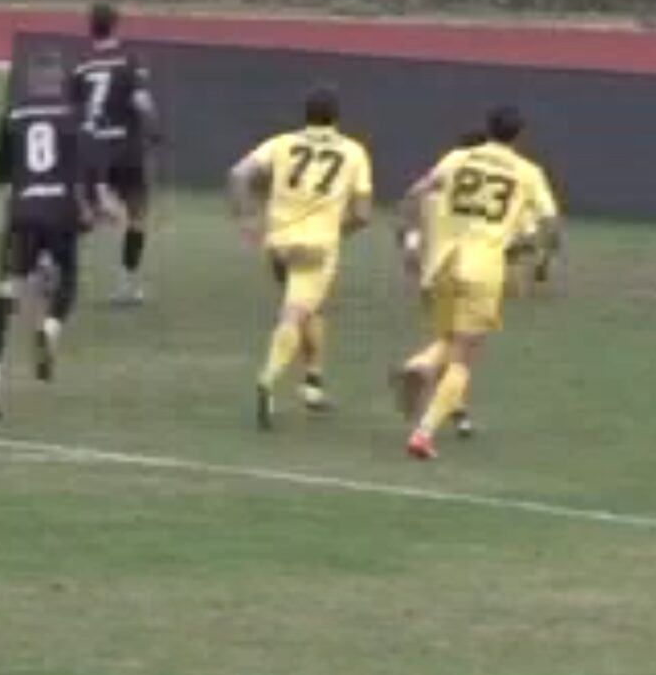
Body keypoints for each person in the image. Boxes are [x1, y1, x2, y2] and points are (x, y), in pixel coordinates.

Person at [396, 106, 561, 461]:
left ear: (488, 129)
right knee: (465, 354)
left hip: (443, 264)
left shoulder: (457, 158)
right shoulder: (528, 172)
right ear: (519, 135)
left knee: (447, 338)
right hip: (483, 266)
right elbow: (550, 221)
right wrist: (541, 255)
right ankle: (424, 432)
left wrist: (411, 238)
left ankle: (422, 365)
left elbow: (414, 194)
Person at [230, 87, 374, 429]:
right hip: (317, 246)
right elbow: (363, 213)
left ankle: (313, 381)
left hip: (279, 242)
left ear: (305, 115)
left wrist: (247, 218)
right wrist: (338, 232)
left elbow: (239, 174)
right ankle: (268, 378)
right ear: (337, 118)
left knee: (311, 309)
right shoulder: (354, 152)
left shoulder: (282, 143)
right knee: (295, 314)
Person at [0, 54, 92, 421]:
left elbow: (1, 174)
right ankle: (50, 328)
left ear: (31, 81)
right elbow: (80, 170)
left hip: (23, 213)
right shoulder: (72, 116)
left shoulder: (13, 115)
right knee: (68, 279)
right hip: (60, 211)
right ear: (58, 81)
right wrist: (88, 207)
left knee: (4, 295)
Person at [68, 3, 160, 304]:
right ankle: (126, 285)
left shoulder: (80, 65)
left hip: (94, 147)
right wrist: (154, 128)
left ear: (90, 27)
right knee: (137, 215)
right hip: (126, 147)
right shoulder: (128, 61)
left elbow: (71, 110)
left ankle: (49, 263)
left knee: (89, 213)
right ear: (116, 25)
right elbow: (142, 101)